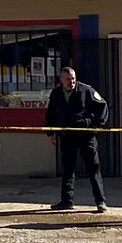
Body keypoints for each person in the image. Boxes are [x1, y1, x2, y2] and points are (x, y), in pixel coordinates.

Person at [44, 67, 109, 212]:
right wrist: (50, 133)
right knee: (68, 169)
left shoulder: (86, 90)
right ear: (61, 79)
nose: (71, 82)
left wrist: (97, 125)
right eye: (67, 79)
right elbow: (51, 114)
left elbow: (102, 106)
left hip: (86, 136)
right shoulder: (56, 93)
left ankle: (100, 201)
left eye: (73, 78)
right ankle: (66, 201)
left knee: (93, 168)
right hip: (67, 137)